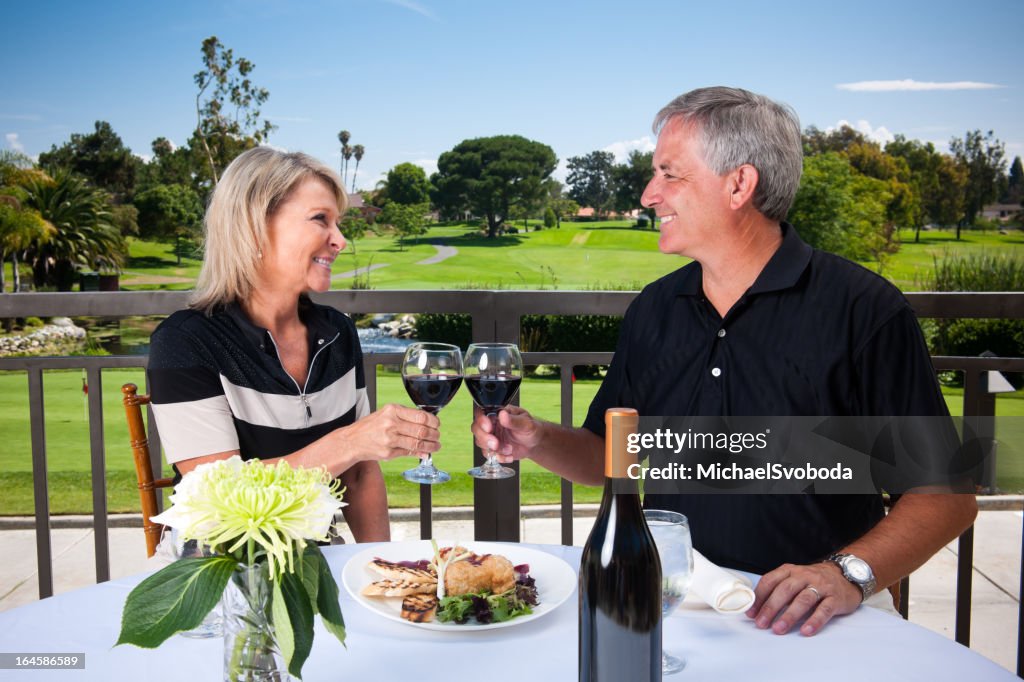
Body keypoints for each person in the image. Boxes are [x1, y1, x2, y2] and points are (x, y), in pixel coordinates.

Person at [472, 87, 977, 635]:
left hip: (818, 618)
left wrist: (846, 574)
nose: (648, 195)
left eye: (670, 174)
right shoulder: (656, 310)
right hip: (674, 607)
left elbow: (944, 498)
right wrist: (537, 439)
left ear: (739, 184)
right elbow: (609, 460)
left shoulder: (864, 310)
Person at [147, 147, 440, 543]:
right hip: (219, 575)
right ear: (253, 227)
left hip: (317, 567)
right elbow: (221, 499)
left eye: (338, 222)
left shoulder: (338, 332)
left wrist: (377, 567)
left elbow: (358, 473)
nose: (340, 239)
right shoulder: (186, 342)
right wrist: (350, 442)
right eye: (321, 219)